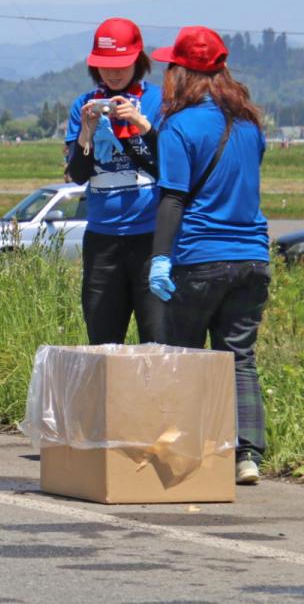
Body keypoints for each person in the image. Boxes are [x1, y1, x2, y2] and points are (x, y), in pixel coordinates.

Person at [147, 26, 269, 486]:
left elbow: (173, 198)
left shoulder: (178, 126)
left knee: (184, 355)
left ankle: (189, 449)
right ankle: (246, 456)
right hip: (253, 258)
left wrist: (160, 258)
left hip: (201, 256)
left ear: (182, 72)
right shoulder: (250, 124)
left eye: (170, 67)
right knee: (239, 357)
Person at [64, 18, 165, 344]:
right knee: (103, 343)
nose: (114, 73)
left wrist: (141, 124)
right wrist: (86, 131)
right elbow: (77, 175)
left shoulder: (158, 101)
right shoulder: (84, 105)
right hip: (102, 241)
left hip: (150, 237)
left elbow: (171, 167)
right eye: (105, 65)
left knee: (157, 341)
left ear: (138, 60)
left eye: (122, 64)